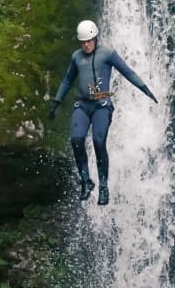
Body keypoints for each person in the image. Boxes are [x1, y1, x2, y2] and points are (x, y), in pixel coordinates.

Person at [49, 18, 156, 205]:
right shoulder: (76, 57)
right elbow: (67, 80)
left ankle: (104, 186)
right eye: (83, 42)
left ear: (96, 38)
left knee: (99, 141)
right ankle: (86, 181)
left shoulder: (107, 54)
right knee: (76, 140)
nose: (86, 45)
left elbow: (128, 72)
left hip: (102, 105)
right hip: (82, 105)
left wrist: (145, 89)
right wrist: (56, 102)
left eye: (89, 41)